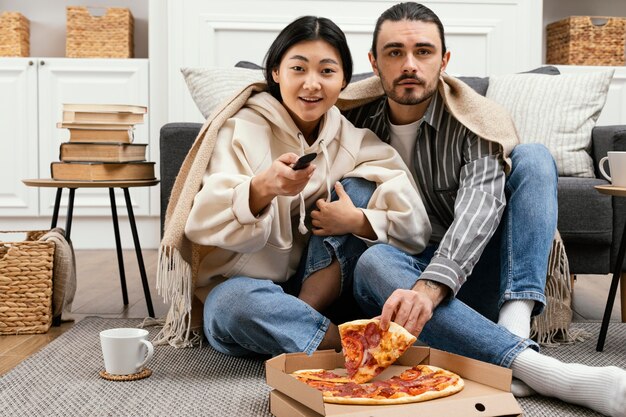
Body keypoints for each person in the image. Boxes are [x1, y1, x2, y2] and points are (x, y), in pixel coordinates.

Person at [336, 3, 625, 415]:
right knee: (374, 261)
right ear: (374, 62)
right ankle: (533, 366)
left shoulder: (474, 119)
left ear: (444, 60)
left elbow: (481, 207)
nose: (409, 64)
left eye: (423, 51)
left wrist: (432, 285)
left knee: (534, 157)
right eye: (394, 52)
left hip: (470, 276)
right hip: (398, 282)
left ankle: (514, 324)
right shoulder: (352, 121)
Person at [183, 15, 430, 357]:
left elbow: (416, 228)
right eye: (298, 69)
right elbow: (200, 224)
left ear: (344, 80)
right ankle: (348, 345)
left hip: (316, 288)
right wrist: (261, 188)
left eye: (327, 71)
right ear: (275, 73)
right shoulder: (239, 130)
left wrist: (356, 220)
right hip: (248, 293)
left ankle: (302, 324)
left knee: (358, 187)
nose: (312, 84)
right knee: (228, 305)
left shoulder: (353, 140)